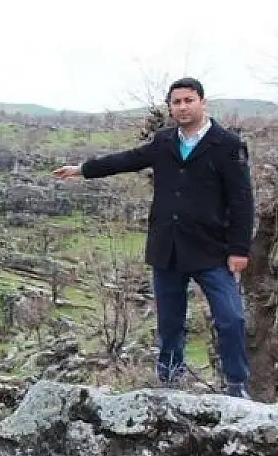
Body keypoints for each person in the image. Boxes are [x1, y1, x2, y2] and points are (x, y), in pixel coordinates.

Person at [52, 77, 255, 398]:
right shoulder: (163, 142)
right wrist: (82, 169)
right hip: (168, 249)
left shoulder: (227, 144)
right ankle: (170, 380)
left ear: (203, 102)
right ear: (170, 107)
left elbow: (242, 199)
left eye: (189, 100)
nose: (183, 107)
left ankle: (236, 385)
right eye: (176, 102)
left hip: (212, 250)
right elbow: (127, 160)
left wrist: (239, 248)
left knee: (230, 319)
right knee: (170, 324)